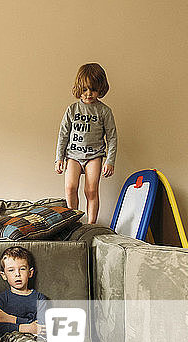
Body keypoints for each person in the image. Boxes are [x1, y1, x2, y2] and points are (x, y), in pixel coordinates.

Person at [55, 63, 118, 224]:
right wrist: (59, 158)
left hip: (94, 156)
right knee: (70, 188)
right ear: (79, 88)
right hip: (73, 155)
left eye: (93, 89)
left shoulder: (104, 111)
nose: (89, 94)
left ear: (101, 89)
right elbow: (63, 135)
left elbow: (112, 137)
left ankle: (91, 224)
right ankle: (72, 221)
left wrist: (110, 161)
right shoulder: (72, 110)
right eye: (85, 89)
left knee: (91, 190)